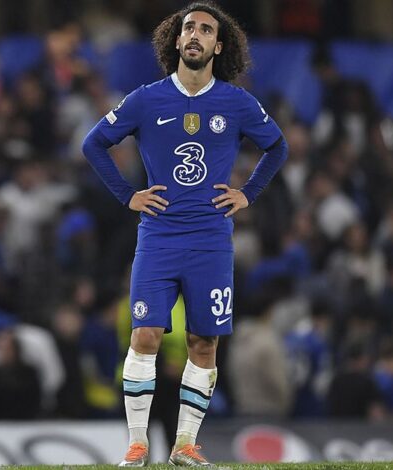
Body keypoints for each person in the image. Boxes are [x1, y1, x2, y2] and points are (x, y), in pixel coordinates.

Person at [82, 2, 288, 466]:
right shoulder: (145, 98)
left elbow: (278, 145)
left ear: (219, 44)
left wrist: (248, 193)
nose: (195, 34)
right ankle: (137, 445)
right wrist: (127, 194)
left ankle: (185, 446)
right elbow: (93, 142)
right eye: (188, 28)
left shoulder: (236, 102)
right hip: (158, 236)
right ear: (176, 41)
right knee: (146, 334)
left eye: (205, 29)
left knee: (204, 342)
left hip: (212, 240)